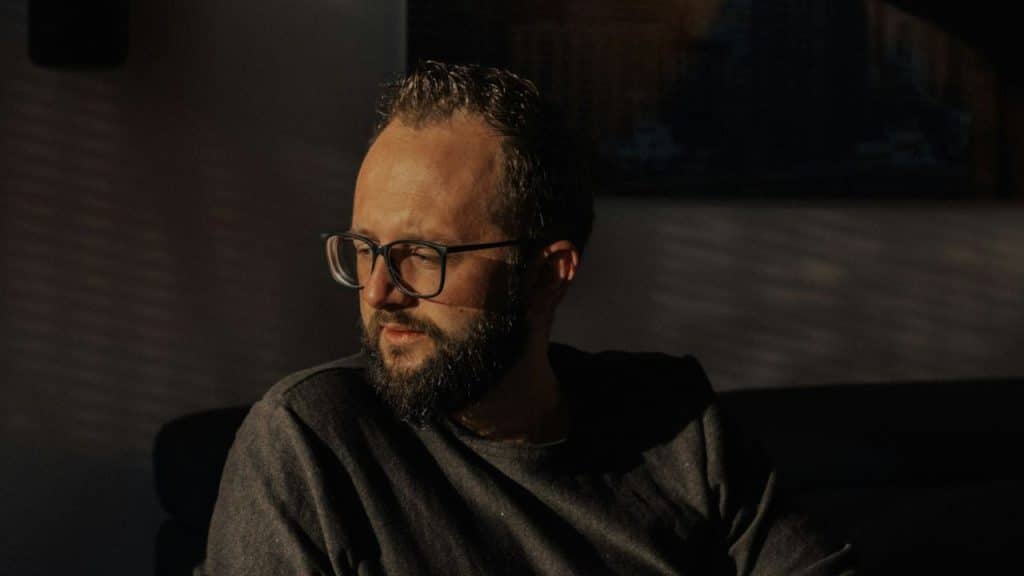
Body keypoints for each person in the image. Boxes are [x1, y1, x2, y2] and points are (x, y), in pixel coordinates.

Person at [200, 61, 855, 575]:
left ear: (546, 275)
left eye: (421, 256)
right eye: (365, 249)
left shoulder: (677, 428)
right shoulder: (312, 444)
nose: (377, 290)